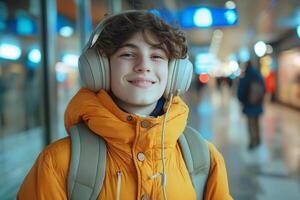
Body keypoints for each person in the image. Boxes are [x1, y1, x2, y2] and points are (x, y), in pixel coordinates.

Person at [17, 10, 232, 200]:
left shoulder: (203, 159)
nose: (144, 66)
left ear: (174, 73)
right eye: (128, 54)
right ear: (100, 68)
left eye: (157, 56)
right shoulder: (57, 164)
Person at [237, 60, 266, 150]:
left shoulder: (245, 77)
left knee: (250, 124)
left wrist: (243, 100)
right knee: (257, 123)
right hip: (257, 104)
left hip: (249, 105)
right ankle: (258, 139)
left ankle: (252, 142)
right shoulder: (258, 75)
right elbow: (264, 89)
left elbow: (240, 92)